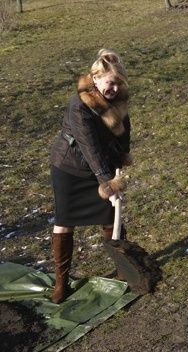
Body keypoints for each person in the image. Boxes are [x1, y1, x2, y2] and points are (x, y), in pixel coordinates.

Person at [49, 49, 132, 303]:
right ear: (95, 79)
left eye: (118, 83)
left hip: (101, 167)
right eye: (110, 83)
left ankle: (124, 270)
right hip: (70, 168)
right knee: (64, 221)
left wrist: (122, 158)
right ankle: (62, 282)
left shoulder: (118, 97)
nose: (114, 88)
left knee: (110, 216)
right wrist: (108, 182)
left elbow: (123, 130)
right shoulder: (79, 105)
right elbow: (89, 146)